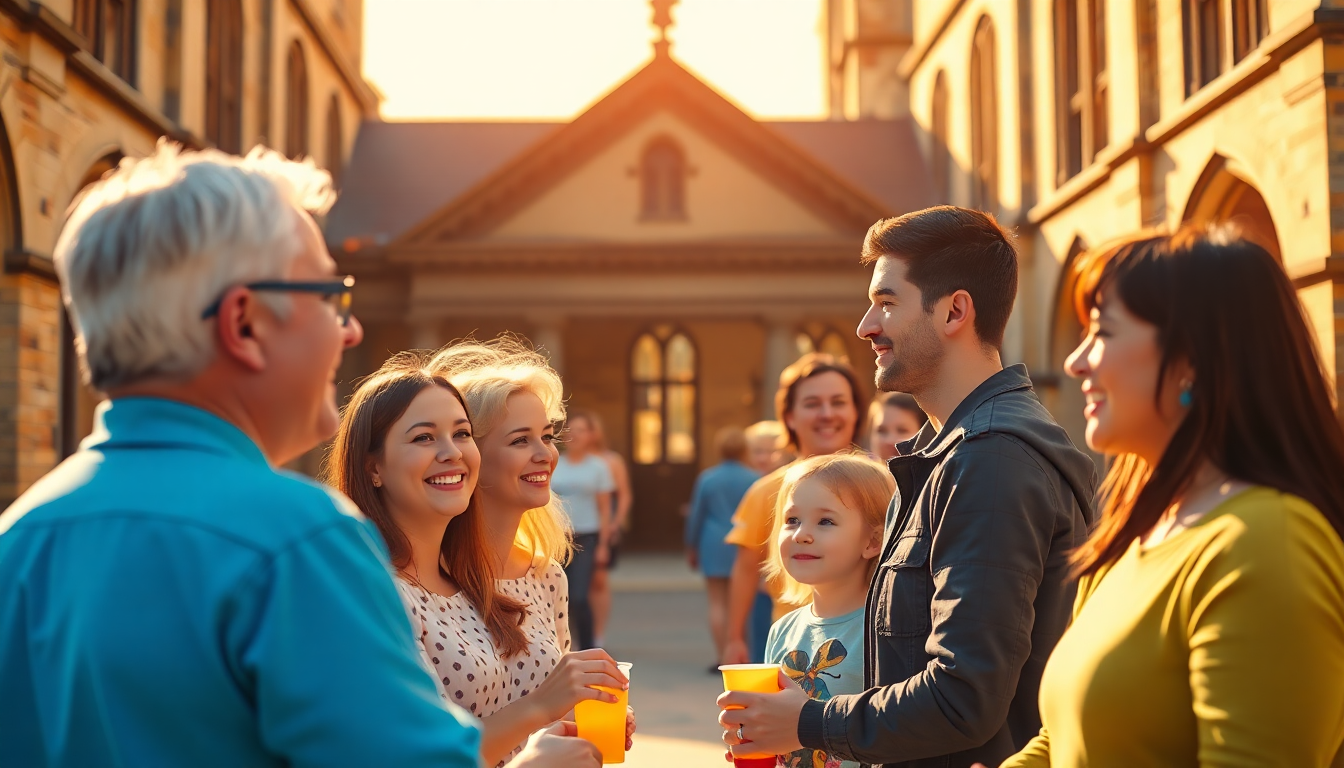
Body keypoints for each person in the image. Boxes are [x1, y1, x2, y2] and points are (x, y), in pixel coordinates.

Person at [0, 142, 588, 767]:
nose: (350, 330)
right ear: (244, 325)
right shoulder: (298, 542)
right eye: (328, 297)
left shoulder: (19, 541)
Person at [718, 206, 1097, 768]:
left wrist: (807, 722)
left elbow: (962, 697)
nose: (866, 325)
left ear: (954, 311)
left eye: (887, 302)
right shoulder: (949, 451)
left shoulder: (990, 460)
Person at [990, 228, 1344, 766]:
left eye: (1102, 332)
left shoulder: (1267, 541)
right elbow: (1065, 737)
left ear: (1193, 360)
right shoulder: (1130, 535)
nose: (1075, 362)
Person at [324, 352, 626, 766]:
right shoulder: (373, 592)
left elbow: (519, 711)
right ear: (373, 467)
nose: (451, 452)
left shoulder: (474, 580)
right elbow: (413, 754)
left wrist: (576, 717)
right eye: (423, 437)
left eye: (461, 434)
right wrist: (540, 710)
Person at [720, 353, 866, 666]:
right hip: (792, 653)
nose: (827, 414)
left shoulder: (883, 485)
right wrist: (734, 638)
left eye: (838, 402)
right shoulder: (766, 491)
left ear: (856, 411)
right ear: (789, 416)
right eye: (812, 403)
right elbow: (746, 570)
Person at [762, 453, 893, 768]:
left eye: (825, 521)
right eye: (792, 519)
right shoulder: (782, 629)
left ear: (874, 540)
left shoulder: (885, 630)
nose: (801, 534)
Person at [684, 427, 761, 667]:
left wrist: (691, 545)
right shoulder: (755, 478)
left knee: (717, 601)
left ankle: (721, 656)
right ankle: (743, 653)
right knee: (745, 600)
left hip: (713, 540)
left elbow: (697, 515)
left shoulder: (708, 477)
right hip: (746, 541)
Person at [549, 409, 616, 651]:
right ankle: (561, 648)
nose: (575, 435)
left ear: (590, 435)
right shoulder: (555, 462)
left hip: (587, 537)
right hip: (556, 538)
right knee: (556, 597)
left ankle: (588, 649)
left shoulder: (599, 467)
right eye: (570, 430)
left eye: (581, 430)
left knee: (578, 596)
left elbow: (605, 509)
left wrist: (604, 546)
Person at [584, 412, 631, 649]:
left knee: (598, 581)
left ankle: (598, 633)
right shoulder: (570, 460)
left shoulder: (611, 460)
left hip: (603, 524)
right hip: (577, 524)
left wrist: (616, 522)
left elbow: (623, 494)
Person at [865, 391, 925, 462]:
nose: (890, 440)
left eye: (902, 431)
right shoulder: (857, 471)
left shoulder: (939, 472)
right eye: (881, 431)